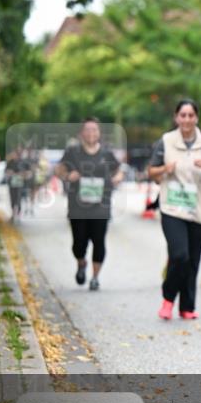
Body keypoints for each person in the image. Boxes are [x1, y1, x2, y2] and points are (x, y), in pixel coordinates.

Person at [147, 100, 201, 320]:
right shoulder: (166, 141)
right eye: (183, 115)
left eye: (191, 115)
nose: (187, 120)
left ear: (197, 118)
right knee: (179, 255)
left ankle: (187, 306)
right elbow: (151, 171)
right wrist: (165, 169)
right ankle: (168, 298)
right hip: (173, 206)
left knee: (193, 259)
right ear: (176, 117)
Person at [55, 118, 124, 290]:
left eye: (94, 129)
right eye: (87, 129)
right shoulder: (73, 151)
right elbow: (59, 169)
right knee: (79, 243)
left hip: (101, 205)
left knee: (99, 241)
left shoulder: (106, 153)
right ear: (81, 133)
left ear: (99, 133)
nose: (91, 133)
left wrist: (116, 179)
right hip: (77, 206)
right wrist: (67, 176)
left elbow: (119, 171)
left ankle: (95, 277)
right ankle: (81, 263)